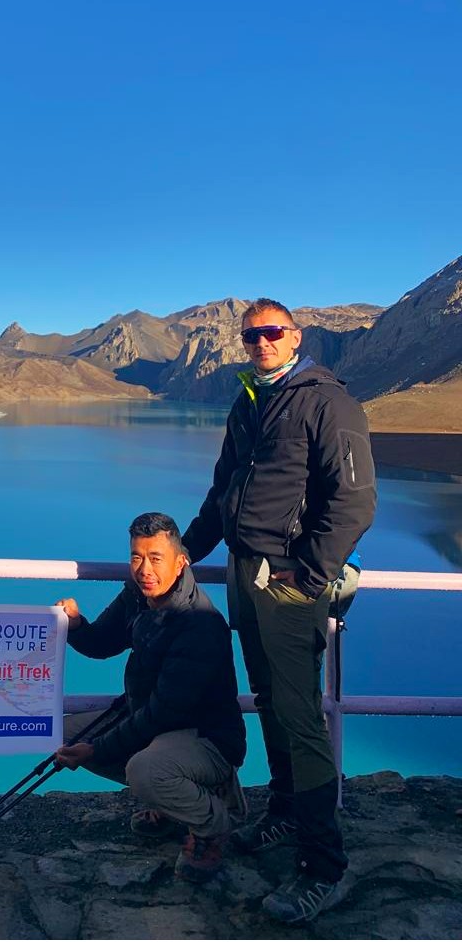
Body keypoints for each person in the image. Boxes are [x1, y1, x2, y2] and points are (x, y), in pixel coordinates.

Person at [182, 298, 376, 924]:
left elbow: (353, 502)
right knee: (268, 699)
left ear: (296, 337)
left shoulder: (327, 402)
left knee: (300, 717)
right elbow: (222, 493)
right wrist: (186, 552)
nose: (261, 342)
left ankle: (323, 867)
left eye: (272, 333)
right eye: (251, 336)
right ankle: (285, 814)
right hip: (245, 572)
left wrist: (311, 574)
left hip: (288, 580)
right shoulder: (250, 401)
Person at [53, 512, 247, 883]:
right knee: (64, 734)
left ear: (180, 562)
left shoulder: (200, 624)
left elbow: (165, 712)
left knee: (143, 770)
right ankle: (171, 801)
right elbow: (103, 642)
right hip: (158, 728)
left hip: (206, 739)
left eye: (155, 558)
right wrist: (77, 625)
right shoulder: (138, 595)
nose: (144, 569)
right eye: (136, 557)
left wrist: (97, 750)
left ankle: (215, 821)